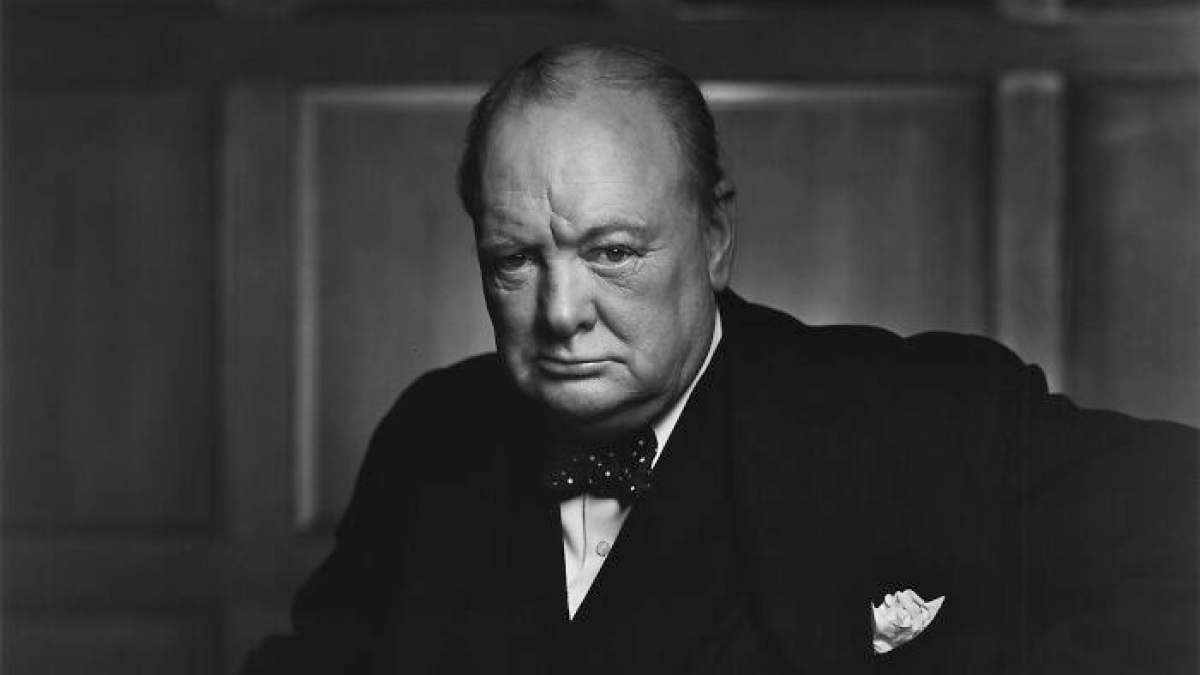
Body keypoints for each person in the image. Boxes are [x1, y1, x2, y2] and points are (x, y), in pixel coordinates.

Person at [242, 43, 1197, 674]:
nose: (561, 312)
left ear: (714, 237)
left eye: (612, 251)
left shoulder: (908, 412)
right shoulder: (429, 435)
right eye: (514, 262)